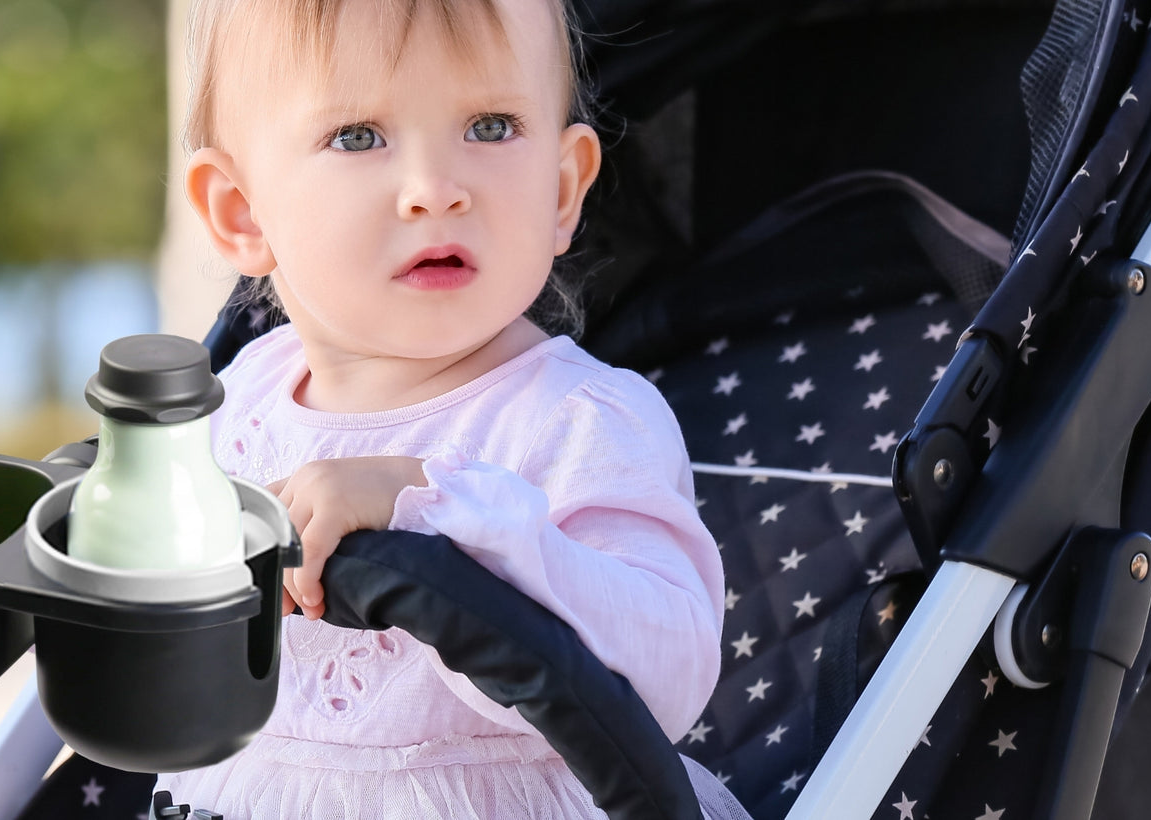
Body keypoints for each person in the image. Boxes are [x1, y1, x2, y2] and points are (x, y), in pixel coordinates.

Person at [154, 0, 727, 816]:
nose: (434, 190)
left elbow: (665, 683)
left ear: (562, 190)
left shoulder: (582, 421)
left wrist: (436, 506)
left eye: (490, 127)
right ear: (242, 213)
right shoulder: (238, 401)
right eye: (358, 137)